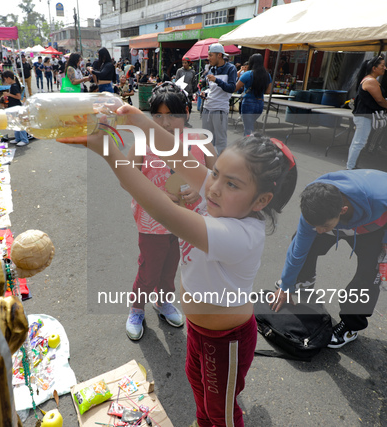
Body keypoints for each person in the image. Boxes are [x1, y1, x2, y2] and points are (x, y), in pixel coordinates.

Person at [58, 102, 297, 427]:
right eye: (215, 173)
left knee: (222, 413)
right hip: (200, 331)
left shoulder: (238, 233)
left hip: (225, 340)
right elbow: (178, 156)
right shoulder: (222, 203)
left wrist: (109, 151)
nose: (213, 187)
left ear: (261, 201)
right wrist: (138, 119)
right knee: (198, 389)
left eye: (232, 184)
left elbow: (162, 209)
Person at [125, 82, 216, 341]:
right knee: (149, 268)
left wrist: (200, 188)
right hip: (152, 221)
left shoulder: (200, 140)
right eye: (158, 116)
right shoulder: (144, 141)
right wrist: (159, 197)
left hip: (186, 221)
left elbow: (216, 175)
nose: (165, 123)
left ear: (186, 113)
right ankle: (137, 308)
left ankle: (163, 302)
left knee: (172, 266)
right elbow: (128, 176)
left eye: (172, 115)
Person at [271, 170, 387, 349]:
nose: (318, 230)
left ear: (343, 210)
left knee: (369, 274)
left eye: (323, 226)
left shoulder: (379, 195)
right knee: (304, 241)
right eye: (314, 225)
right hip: (337, 219)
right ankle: (303, 281)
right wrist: (287, 285)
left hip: (374, 225)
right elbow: (298, 251)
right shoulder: (315, 203)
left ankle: (350, 327)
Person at [346, 55, 387, 170]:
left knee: (357, 142)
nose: (384, 68)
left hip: (363, 116)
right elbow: (379, 100)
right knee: (359, 143)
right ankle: (350, 167)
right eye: (382, 66)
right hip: (364, 116)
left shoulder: (368, 79)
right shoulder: (371, 81)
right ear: (374, 68)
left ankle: (351, 165)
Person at [201, 43, 237, 154]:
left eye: (211, 55)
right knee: (206, 139)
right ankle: (207, 165)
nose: (208, 58)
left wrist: (216, 80)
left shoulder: (231, 69)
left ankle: (221, 167)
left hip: (220, 109)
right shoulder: (212, 69)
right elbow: (212, 89)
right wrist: (205, 93)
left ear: (219, 55)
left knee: (220, 140)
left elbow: (231, 88)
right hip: (207, 107)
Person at [235, 53, 272, 136]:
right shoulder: (267, 75)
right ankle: (250, 145)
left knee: (248, 129)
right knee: (250, 127)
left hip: (248, 103)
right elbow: (268, 91)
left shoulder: (248, 74)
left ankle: (249, 147)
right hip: (260, 103)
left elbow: (235, 88)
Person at [2, 71, 29, 147]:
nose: (6, 81)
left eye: (6, 79)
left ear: (9, 78)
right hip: (13, 107)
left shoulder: (14, 86)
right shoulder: (13, 85)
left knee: (19, 123)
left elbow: (19, 97)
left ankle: (24, 139)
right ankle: (18, 138)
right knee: (15, 123)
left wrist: (8, 94)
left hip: (16, 107)